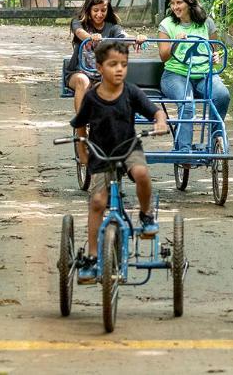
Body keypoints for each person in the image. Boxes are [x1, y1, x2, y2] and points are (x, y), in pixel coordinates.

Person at [70, 39, 168, 283]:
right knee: (97, 202)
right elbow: (80, 123)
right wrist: (82, 148)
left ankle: (146, 215)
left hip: (128, 148)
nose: (119, 69)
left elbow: (155, 110)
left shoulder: (131, 92)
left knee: (142, 174)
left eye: (123, 64)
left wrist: (160, 121)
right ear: (100, 68)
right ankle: (92, 257)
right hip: (101, 152)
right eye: (113, 64)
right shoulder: (91, 98)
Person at [158, 0, 230, 157]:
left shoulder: (207, 23)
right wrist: (176, 42)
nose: (175, 7)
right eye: (173, 3)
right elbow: (164, 56)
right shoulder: (167, 25)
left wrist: (215, 57)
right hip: (175, 75)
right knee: (187, 103)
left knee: (222, 95)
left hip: (204, 73)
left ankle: (216, 136)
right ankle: (184, 151)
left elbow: (213, 50)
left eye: (179, 3)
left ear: (190, 3)